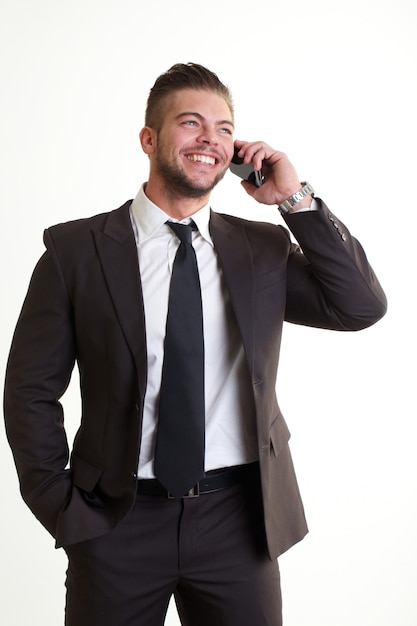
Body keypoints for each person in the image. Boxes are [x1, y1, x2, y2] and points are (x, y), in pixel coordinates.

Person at [3, 62, 387, 626]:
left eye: (225, 128)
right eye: (191, 123)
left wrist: (294, 198)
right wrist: (63, 510)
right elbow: (29, 391)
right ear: (149, 139)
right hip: (117, 522)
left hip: (239, 520)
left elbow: (359, 306)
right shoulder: (76, 251)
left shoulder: (260, 249)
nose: (211, 139)